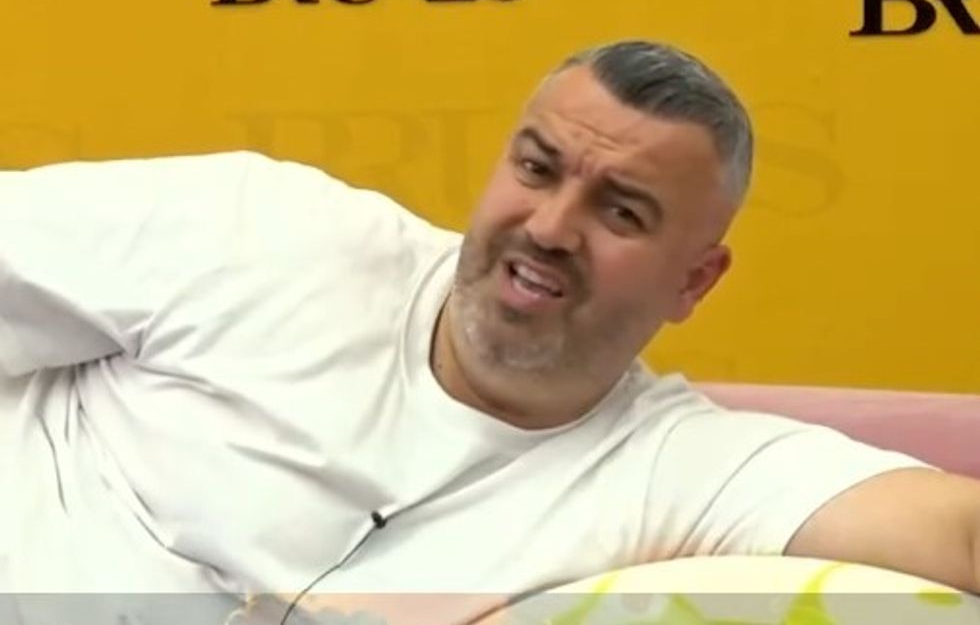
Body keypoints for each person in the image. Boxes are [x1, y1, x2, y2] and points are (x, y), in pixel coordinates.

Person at [0, 40, 977, 625]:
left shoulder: (680, 467)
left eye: (621, 211)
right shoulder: (262, 230)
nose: (549, 227)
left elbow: (955, 535)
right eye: (537, 168)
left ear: (694, 280)